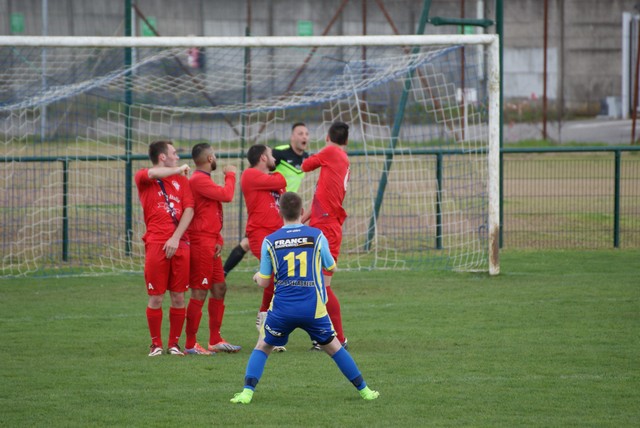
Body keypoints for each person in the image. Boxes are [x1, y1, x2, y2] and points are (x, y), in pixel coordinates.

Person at [230, 192, 379, 404]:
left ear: (280, 212)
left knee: (262, 347)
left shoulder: (270, 241)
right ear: (302, 212)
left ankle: (246, 393)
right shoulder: (316, 236)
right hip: (312, 308)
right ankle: (365, 391)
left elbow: (264, 282)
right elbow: (331, 267)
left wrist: (256, 276)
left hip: (282, 310)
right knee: (335, 348)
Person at [223, 122, 309, 277]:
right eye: (300, 133)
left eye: (306, 134)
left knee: (283, 274)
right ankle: (223, 272)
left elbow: (281, 184)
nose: (304, 137)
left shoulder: (305, 157)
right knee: (278, 270)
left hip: (280, 221)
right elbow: (280, 180)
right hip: (261, 230)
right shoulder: (258, 169)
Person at [134, 140, 194, 357]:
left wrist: (176, 238)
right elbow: (151, 173)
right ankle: (156, 344)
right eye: (174, 153)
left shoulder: (182, 182)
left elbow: (189, 210)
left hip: (180, 243)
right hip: (156, 243)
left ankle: (174, 344)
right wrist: (177, 169)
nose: (177, 157)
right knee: (156, 296)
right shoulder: (144, 177)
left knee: (178, 296)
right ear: (162, 157)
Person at [184, 143, 241, 355]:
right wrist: (231, 175)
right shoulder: (198, 180)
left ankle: (215, 339)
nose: (216, 158)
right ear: (209, 159)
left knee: (219, 287)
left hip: (210, 241)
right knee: (199, 290)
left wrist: (218, 237)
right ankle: (190, 344)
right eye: (214, 155)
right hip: (200, 242)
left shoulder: (203, 180)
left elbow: (208, 210)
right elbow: (227, 195)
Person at [301, 121, 350, 351]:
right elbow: (321, 200)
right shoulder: (337, 159)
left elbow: (305, 165)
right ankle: (322, 336)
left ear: (328, 138)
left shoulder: (330, 152)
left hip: (327, 229)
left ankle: (338, 338)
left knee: (322, 286)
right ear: (347, 140)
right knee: (314, 285)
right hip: (323, 225)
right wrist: (302, 220)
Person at [240, 144, 287, 351]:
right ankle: (266, 324)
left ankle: (269, 327)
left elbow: (283, 195)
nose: (274, 158)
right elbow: (281, 180)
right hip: (260, 234)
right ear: (262, 158)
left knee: (278, 281)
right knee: (274, 277)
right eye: (271, 154)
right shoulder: (250, 174)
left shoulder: (270, 179)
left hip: (278, 235)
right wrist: (278, 177)